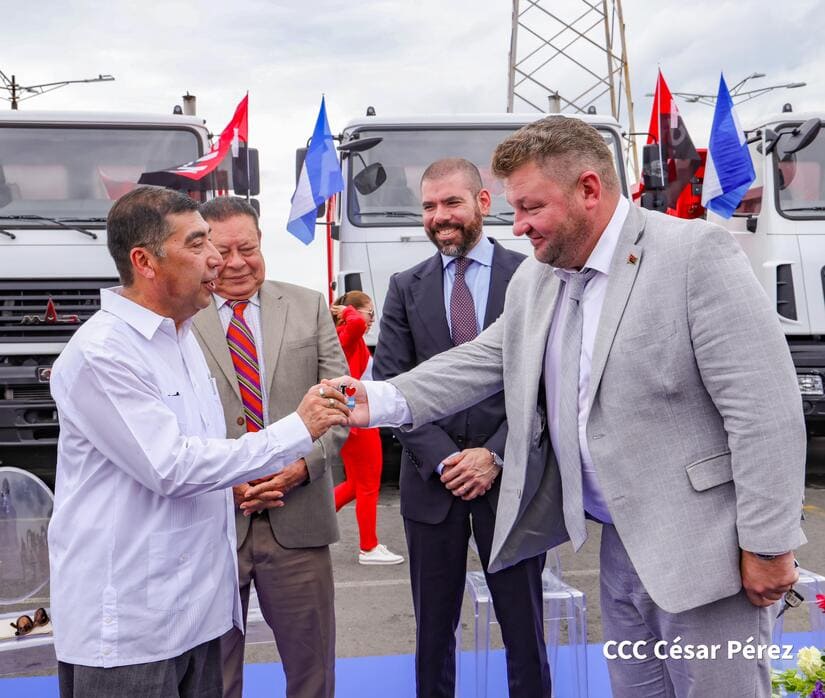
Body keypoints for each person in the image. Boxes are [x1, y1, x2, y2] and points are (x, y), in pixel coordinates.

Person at [329, 117, 807, 697]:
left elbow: (765, 413)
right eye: (514, 208)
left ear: (588, 189)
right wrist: (374, 398)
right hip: (619, 548)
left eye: (531, 207)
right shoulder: (540, 277)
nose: (518, 225)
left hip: (705, 556)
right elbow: (479, 361)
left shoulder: (694, 255)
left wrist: (768, 544)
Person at [48, 186, 348, 698]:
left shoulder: (179, 336)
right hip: (132, 629)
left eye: (223, 243)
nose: (217, 260)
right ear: (144, 262)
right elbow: (172, 466)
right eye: (198, 244)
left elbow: (205, 448)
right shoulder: (104, 353)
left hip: (196, 614)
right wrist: (297, 429)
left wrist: (282, 466)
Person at [371, 158, 550, 697]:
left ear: (483, 203)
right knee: (433, 633)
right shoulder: (405, 287)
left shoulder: (533, 276)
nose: (439, 216)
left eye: (451, 202)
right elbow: (394, 383)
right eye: (428, 206)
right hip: (434, 485)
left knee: (525, 630)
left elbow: (549, 383)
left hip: (511, 482)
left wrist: (493, 455)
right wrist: (447, 459)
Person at [192, 196, 347, 698]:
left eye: (249, 248)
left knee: (312, 673)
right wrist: (226, 482)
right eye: (223, 252)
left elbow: (341, 404)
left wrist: (302, 466)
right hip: (213, 524)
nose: (238, 262)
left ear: (262, 244)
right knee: (212, 678)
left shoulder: (308, 306)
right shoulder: (179, 319)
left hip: (299, 520)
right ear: (203, 252)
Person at [330, 291, 404, 565]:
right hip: (358, 422)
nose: (372, 319)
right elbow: (358, 324)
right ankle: (369, 547)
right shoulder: (348, 335)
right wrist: (347, 311)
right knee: (369, 486)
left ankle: (311, 526)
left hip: (354, 418)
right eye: (370, 312)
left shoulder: (344, 338)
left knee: (356, 484)